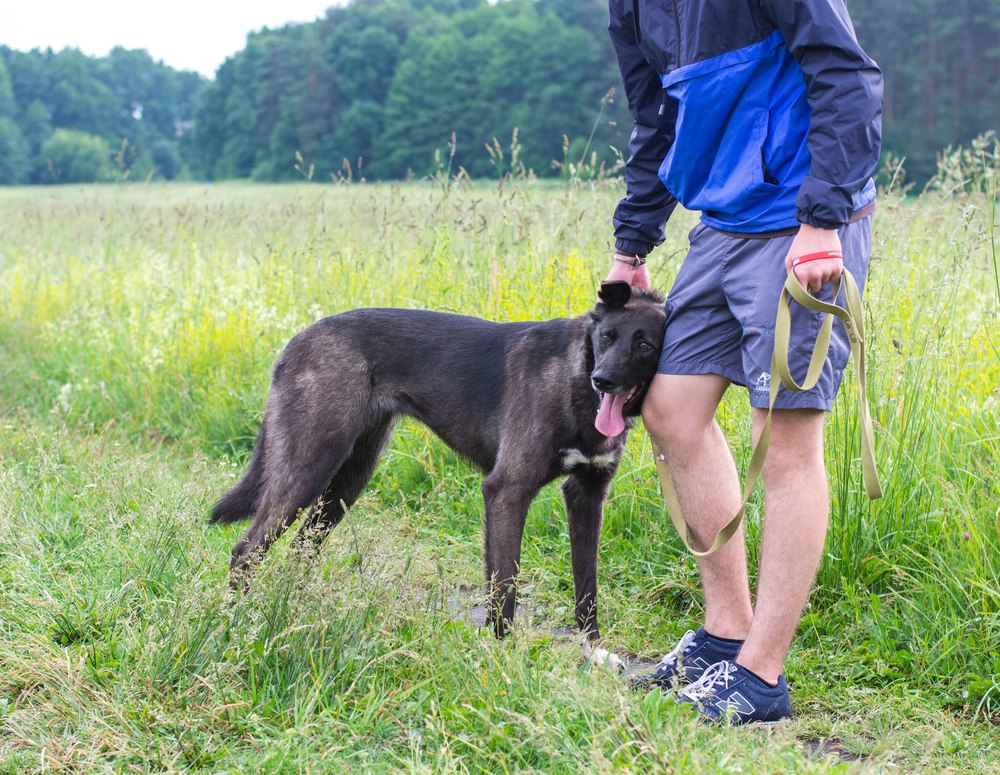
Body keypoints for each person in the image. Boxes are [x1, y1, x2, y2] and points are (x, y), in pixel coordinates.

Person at [605, 0, 883, 724]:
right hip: (723, 222)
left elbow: (848, 76)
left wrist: (823, 219)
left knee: (783, 437)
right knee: (670, 412)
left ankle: (761, 675)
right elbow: (656, 119)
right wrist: (631, 247)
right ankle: (725, 632)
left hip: (800, 219)